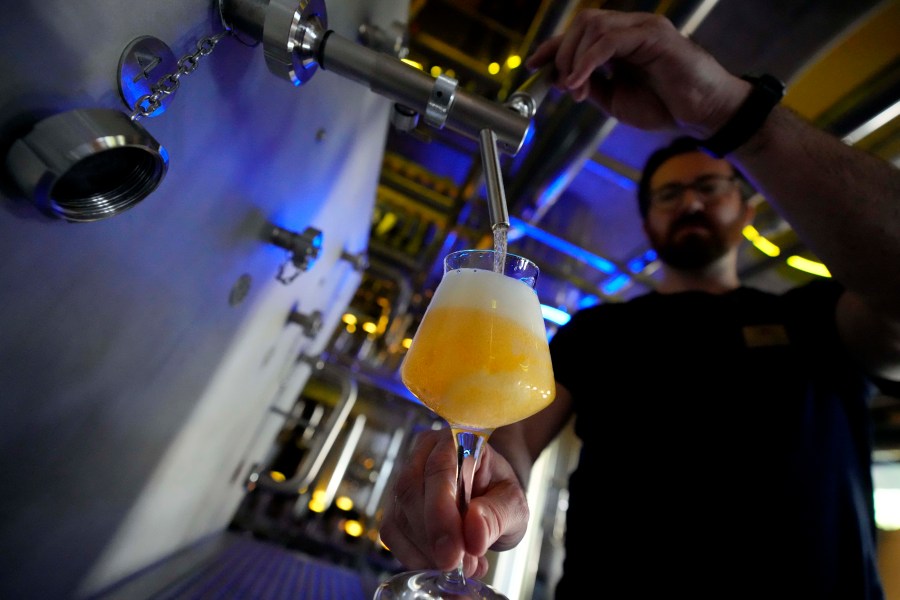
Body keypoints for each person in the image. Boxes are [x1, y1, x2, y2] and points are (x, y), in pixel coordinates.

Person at [378, 9, 900, 599]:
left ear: (746, 208)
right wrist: (474, 478)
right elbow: (515, 439)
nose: (691, 204)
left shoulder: (820, 318)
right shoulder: (599, 331)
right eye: (670, 194)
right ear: (649, 219)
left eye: (710, 187)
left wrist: (733, 115)